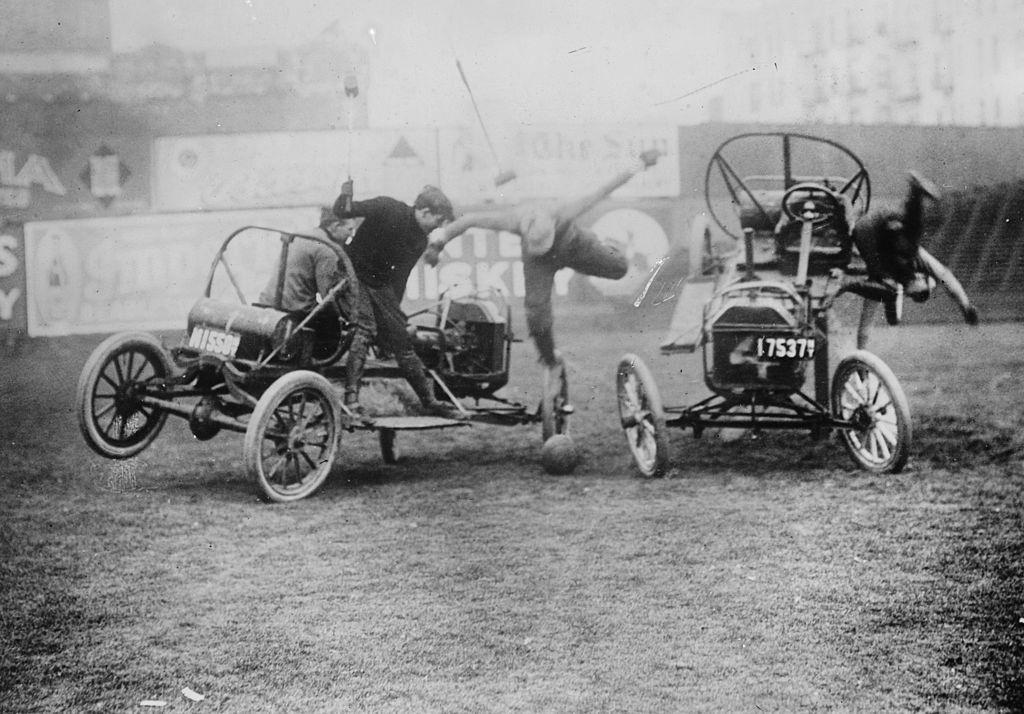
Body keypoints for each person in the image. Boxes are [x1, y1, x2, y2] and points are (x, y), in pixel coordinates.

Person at [423, 149, 662, 367]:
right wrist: (437, 242)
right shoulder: (513, 220)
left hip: (575, 246)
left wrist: (640, 163)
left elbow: (606, 188)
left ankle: (608, 247)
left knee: (619, 268)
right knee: (535, 311)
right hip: (539, 262)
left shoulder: (567, 210)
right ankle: (547, 356)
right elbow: (468, 221)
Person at [331, 182, 463, 419]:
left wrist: (395, 319)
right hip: (351, 275)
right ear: (424, 212)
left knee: (401, 341)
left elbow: (399, 281)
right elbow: (344, 211)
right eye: (436, 222)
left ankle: (429, 401)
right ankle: (351, 399)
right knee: (366, 329)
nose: (435, 230)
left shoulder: (420, 241)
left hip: (378, 285)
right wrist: (345, 195)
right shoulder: (387, 207)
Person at [257, 207, 356, 358]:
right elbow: (328, 296)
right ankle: (315, 363)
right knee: (332, 323)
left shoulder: (304, 235)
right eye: (350, 229)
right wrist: (347, 315)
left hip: (268, 301)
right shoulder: (327, 249)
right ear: (336, 226)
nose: (351, 234)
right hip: (293, 310)